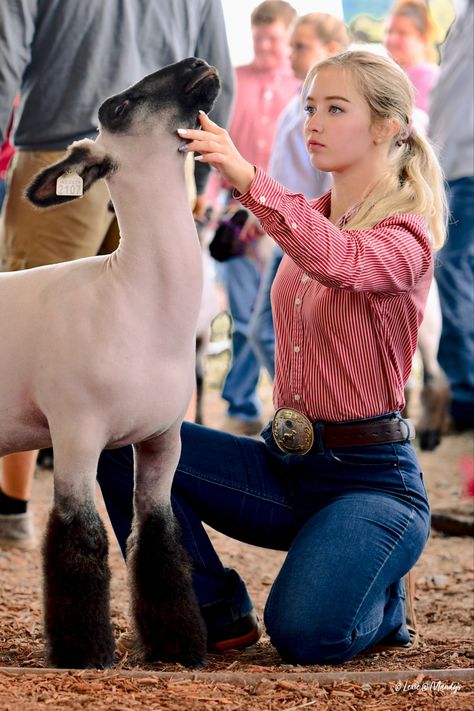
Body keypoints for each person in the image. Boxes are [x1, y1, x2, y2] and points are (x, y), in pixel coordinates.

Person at [97, 50, 447, 664]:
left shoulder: (408, 235)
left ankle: (385, 600)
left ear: (388, 127)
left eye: (336, 108)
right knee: (123, 444)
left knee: (305, 636)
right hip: (285, 465)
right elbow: (311, 248)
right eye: (310, 106)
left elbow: (338, 260)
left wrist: (247, 176)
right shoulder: (306, 217)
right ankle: (214, 611)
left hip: (371, 482)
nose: (312, 121)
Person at [0, 0, 234, 550]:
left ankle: (18, 510)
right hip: (100, 150)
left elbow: (7, 45)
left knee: (60, 336)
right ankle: (15, 507)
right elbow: (215, 64)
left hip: (89, 143)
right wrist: (205, 151)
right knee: (48, 339)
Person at [248, 12, 348, 378]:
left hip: (310, 232)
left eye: (300, 46)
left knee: (268, 332)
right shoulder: (297, 103)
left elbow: (330, 179)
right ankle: (302, 411)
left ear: (331, 49)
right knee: (267, 333)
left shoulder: (332, 111)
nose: (290, 54)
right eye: (290, 45)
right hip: (286, 232)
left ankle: (305, 414)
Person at [216, 0, 300, 436]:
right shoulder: (233, 81)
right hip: (234, 217)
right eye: (259, 36)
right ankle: (242, 403)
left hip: (284, 216)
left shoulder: (303, 88)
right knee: (244, 316)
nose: (265, 45)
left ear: (288, 38)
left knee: (270, 315)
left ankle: (279, 403)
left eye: (274, 37)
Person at [429, 0, 474, 430]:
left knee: (452, 267)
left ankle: (465, 394)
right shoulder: (463, 15)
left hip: (468, 166)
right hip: (454, 164)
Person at [384, 0, 439, 114]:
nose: (392, 39)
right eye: (389, 32)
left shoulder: (430, 78)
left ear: (423, 38)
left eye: (402, 33)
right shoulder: (390, 75)